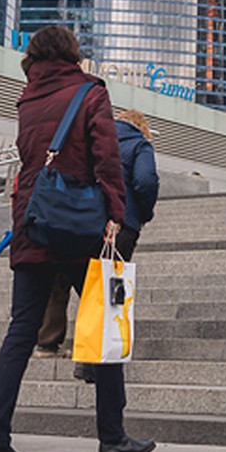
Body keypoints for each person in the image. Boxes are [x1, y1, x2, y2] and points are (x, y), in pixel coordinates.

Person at [0, 25, 154, 452]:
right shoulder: (89, 92)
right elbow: (106, 156)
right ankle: (112, 438)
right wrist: (115, 210)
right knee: (102, 324)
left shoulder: (28, 98)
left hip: (34, 223)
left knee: (21, 332)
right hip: (79, 223)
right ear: (71, 52)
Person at [35, 108, 160, 366]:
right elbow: (145, 180)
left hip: (84, 217)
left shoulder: (94, 139)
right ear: (143, 127)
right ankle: (93, 354)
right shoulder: (139, 145)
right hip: (122, 222)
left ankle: (47, 341)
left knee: (62, 277)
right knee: (104, 285)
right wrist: (144, 212)